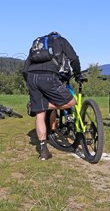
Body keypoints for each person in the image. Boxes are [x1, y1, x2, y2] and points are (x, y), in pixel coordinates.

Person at [22, 31, 83, 161]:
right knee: (72, 102)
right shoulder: (61, 40)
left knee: (40, 113)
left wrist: (30, 83)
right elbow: (73, 58)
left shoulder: (37, 43)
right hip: (48, 76)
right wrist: (78, 74)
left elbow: (25, 68)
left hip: (31, 76)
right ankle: (41, 106)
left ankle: (43, 151)